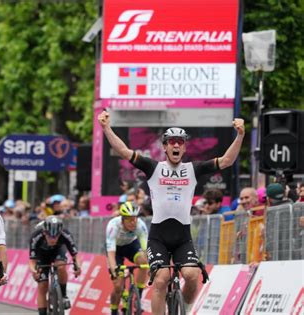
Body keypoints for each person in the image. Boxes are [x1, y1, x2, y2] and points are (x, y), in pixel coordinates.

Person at [98, 110, 245, 315]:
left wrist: (240, 135)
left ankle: (183, 308)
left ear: (184, 147)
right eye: (172, 141)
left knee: (193, 275)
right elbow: (123, 151)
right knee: (161, 278)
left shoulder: (193, 169)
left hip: (183, 237)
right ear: (165, 146)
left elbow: (227, 160)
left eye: (180, 142)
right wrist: (106, 128)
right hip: (158, 237)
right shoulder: (153, 167)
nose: (176, 145)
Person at [29, 215, 81, 315]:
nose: (53, 239)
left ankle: (64, 294)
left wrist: (78, 267)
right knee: (42, 285)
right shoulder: (36, 237)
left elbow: (76, 255)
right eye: (49, 236)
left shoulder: (66, 235)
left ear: (60, 232)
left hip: (58, 251)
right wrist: (34, 271)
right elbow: (32, 261)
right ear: (44, 232)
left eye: (56, 236)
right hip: (42, 256)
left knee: (61, 266)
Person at [105, 201, 149, 315]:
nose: (133, 222)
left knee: (144, 262)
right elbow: (110, 253)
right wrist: (114, 269)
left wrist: (148, 264)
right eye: (129, 219)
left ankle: (138, 296)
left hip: (131, 246)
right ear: (122, 219)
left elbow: (145, 250)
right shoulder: (113, 226)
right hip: (116, 250)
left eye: (135, 218)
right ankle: (114, 310)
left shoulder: (140, 225)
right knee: (118, 286)